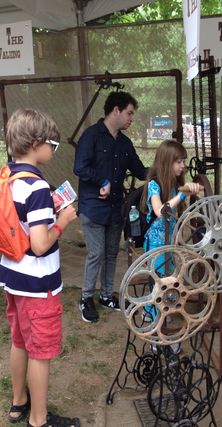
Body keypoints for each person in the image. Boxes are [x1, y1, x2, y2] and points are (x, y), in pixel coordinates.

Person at [0, 109, 79, 427]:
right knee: (41, 351)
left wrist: (48, 214)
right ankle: (39, 420)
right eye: (53, 145)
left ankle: (19, 403)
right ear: (35, 143)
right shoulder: (37, 188)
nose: (53, 150)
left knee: (19, 340)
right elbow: (41, 243)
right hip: (38, 283)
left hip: (12, 277)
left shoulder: (7, 176)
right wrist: (62, 221)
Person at [73, 91, 148, 323]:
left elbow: (139, 170)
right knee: (96, 253)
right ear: (116, 110)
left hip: (116, 208)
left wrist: (163, 171)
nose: (131, 118)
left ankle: (106, 295)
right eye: (129, 113)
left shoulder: (125, 143)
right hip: (93, 206)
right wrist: (101, 181)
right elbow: (80, 167)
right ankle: (86, 298)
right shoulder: (91, 136)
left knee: (112, 253)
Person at [140, 139, 200, 322]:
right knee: (159, 282)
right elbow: (160, 211)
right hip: (156, 244)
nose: (183, 166)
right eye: (179, 162)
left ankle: (164, 316)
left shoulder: (174, 185)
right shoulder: (154, 185)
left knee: (172, 280)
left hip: (170, 242)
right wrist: (183, 194)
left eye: (184, 161)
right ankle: (151, 318)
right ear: (167, 162)